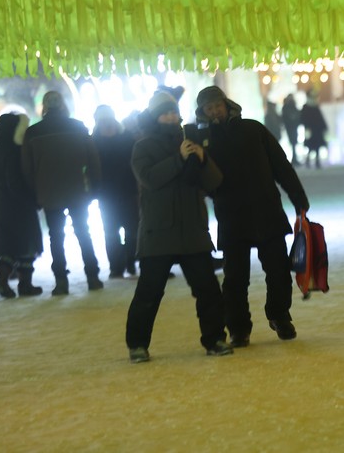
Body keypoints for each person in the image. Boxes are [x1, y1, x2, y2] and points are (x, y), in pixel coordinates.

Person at [193, 86, 310, 347]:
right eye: (208, 109)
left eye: (217, 106)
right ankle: (238, 328)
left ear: (226, 104)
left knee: (278, 271)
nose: (214, 112)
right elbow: (199, 180)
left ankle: (280, 316)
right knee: (235, 278)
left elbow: (280, 165)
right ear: (202, 112)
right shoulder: (201, 141)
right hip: (231, 216)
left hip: (266, 211)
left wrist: (298, 198)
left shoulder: (253, 129)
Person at [125, 91, 232, 362]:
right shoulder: (143, 146)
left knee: (208, 289)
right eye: (164, 113)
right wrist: (178, 160)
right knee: (149, 292)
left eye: (173, 112)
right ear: (154, 117)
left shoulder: (190, 139)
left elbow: (214, 182)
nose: (170, 117)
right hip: (158, 231)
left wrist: (203, 158)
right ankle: (137, 344)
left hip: (192, 230)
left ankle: (215, 338)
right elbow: (149, 178)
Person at [21, 91, 103, 295]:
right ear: (63, 105)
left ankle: (61, 282)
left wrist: (34, 193)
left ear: (44, 107)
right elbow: (93, 160)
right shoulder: (78, 127)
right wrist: (94, 187)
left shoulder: (33, 133)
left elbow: (27, 168)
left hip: (49, 193)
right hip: (77, 189)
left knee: (56, 236)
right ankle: (92, 277)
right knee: (83, 232)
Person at [0, 113, 44, 298]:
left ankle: (2, 279)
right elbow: (15, 181)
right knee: (27, 246)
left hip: (3, 204)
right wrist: (31, 200)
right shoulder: (14, 150)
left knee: (9, 246)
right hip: (19, 205)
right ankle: (24, 284)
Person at [92, 105, 139, 279]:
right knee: (113, 231)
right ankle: (118, 266)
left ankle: (128, 262)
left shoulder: (98, 140)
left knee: (129, 229)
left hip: (124, 190)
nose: (106, 123)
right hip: (109, 194)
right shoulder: (122, 138)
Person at [300, 94, 329, 169]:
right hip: (311, 130)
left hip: (317, 130)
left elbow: (320, 118)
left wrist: (324, 127)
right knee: (311, 147)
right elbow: (303, 119)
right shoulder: (306, 107)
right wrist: (307, 127)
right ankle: (309, 161)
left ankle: (316, 161)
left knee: (316, 147)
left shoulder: (315, 106)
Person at [281, 94, 301, 167]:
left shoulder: (288, 106)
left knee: (294, 142)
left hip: (292, 127)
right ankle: (294, 158)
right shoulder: (287, 106)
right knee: (293, 142)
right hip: (291, 127)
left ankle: (294, 158)